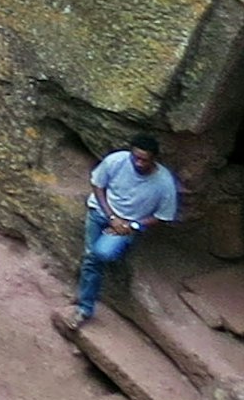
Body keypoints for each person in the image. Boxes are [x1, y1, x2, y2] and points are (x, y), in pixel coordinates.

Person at [63, 136, 182, 329]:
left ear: (154, 159)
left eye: (144, 159)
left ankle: (85, 298)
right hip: (101, 214)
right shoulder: (117, 160)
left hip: (129, 224)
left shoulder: (164, 183)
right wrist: (111, 217)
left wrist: (131, 226)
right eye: (135, 157)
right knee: (91, 258)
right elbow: (98, 184)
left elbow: (164, 216)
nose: (139, 163)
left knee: (100, 254)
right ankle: (85, 306)